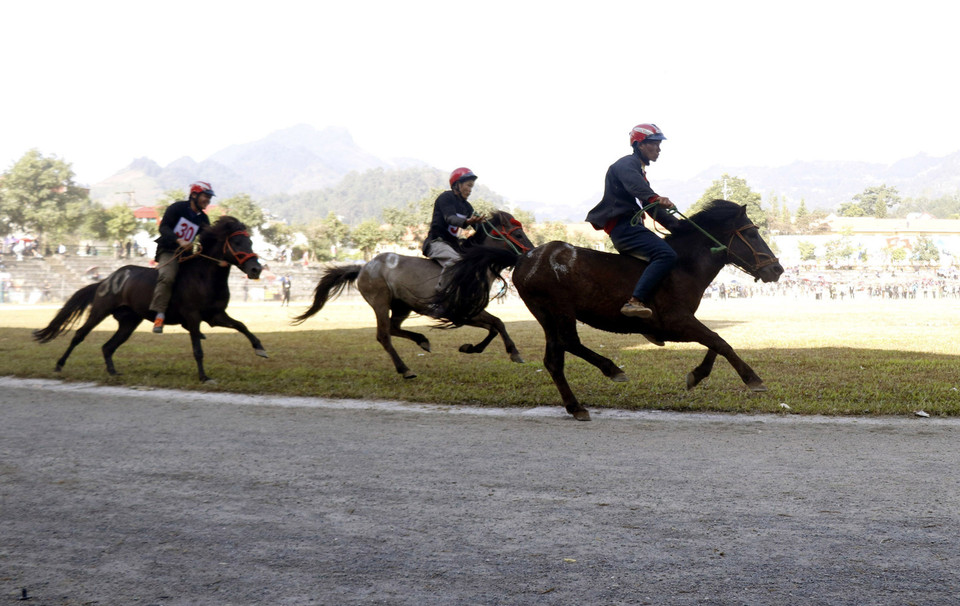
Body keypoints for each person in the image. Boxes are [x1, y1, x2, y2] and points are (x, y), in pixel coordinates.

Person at [585, 123, 681, 318]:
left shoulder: (637, 168)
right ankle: (634, 302)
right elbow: (639, 191)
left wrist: (678, 227)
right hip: (625, 229)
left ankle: (645, 315)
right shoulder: (627, 164)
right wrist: (655, 198)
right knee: (666, 256)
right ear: (640, 144)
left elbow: (650, 206)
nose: (659, 149)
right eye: (655, 143)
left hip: (628, 227)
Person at [149, 181, 214, 333]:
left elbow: (208, 239)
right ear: (194, 195)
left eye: (210, 198)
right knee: (167, 277)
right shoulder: (176, 208)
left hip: (187, 255)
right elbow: (163, 228)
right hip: (168, 251)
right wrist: (179, 240)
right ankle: (159, 315)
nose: (208, 201)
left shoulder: (204, 219)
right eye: (206, 196)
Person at [422, 167, 487, 281]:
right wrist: (466, 222)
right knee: (456, 263)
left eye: (471, 187)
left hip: (453, 245)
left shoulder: (467, 206)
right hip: (436, 242)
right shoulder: (446, 198)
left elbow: (480, 228)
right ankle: (442, 293)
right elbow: (450, 218)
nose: (470, 190)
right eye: (468, 185)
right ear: (457, 184)